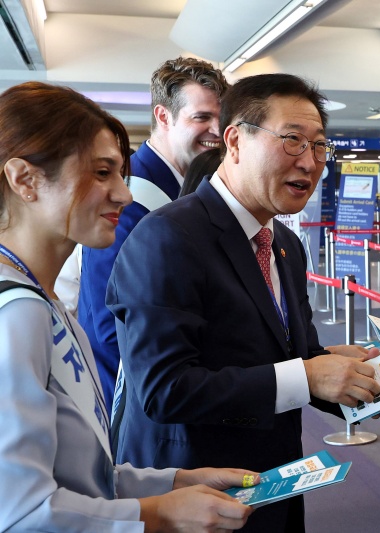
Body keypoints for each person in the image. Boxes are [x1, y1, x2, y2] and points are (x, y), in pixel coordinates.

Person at [107, 73, 380, 533]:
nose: (309, 162)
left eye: (320, 145)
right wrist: (307, 375)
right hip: (198, 498)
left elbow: (293, 358)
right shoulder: (169, 236)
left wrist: (348, 377)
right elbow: (163, 389)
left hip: (275, 487)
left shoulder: (284, 243)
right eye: (292, 140)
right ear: (235, 140)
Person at [0, 81, 258, 532]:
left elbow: (79, 477)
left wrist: (172, 482)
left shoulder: (44, 303)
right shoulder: (15, 314)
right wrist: (159, 514)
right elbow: (22, 514)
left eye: (119, 173)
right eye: (102, 173)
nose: (123, 193)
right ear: (24, 179)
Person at [78, 56, 229, 411]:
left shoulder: (193, 192)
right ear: (164, 117)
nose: (217, 130)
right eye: (202, 117)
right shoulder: (128, 198)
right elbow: (111, 323)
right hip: (137, 401)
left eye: (222, 119)